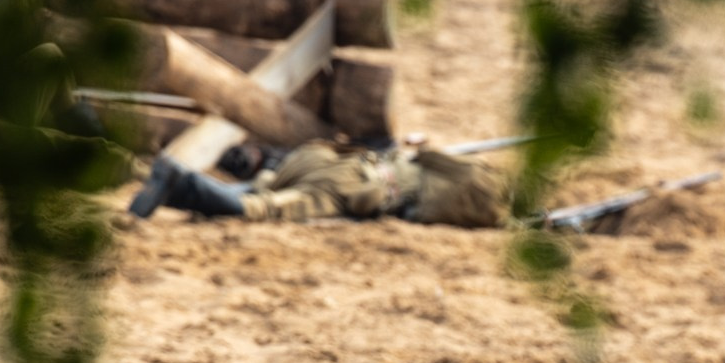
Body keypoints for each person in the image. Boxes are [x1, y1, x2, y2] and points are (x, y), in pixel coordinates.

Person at [126, 139, 505, 227]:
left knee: (262, 191)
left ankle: (171, 186)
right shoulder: (480, 209)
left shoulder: (474, 170)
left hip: (333, 158)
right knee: (265, 210)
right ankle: (182, 181)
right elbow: (413, 213)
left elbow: (425, 154)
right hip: (354, 188)